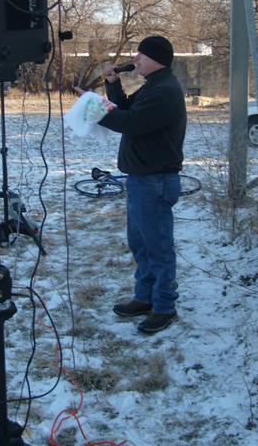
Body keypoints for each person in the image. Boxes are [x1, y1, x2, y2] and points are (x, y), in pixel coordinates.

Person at [97, 35, 187, 334]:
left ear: (156, 58)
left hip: (155, 181)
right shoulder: (154, 86)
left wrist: (96, 111)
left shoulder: (165, 91)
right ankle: (145, 297)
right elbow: (126, 109)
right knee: (141, 244)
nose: (135, 59)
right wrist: (112, 84)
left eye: (141, 55)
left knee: (158, 247)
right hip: (142, 180)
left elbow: (132, 123)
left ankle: (164, 307)